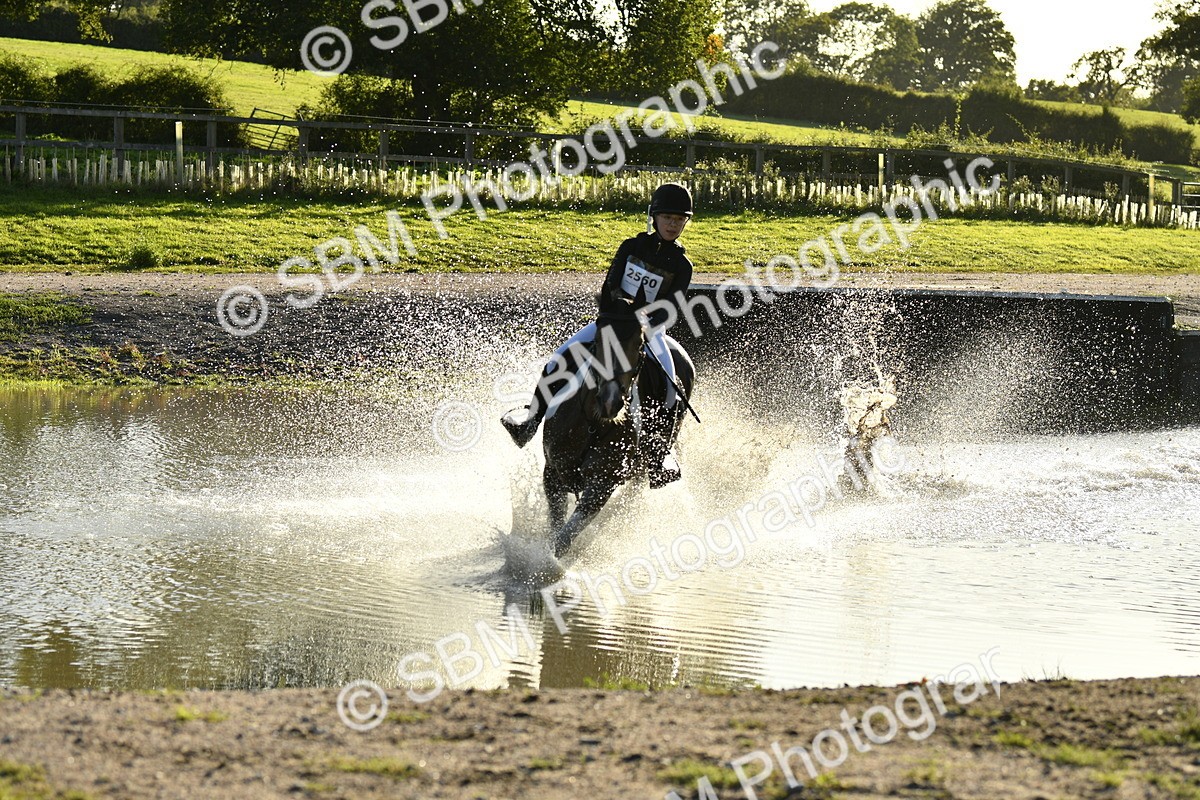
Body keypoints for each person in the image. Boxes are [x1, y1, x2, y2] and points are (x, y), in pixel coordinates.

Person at [501, 182, 695, 485]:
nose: (673, 225)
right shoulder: (631, 247)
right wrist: (620, 312)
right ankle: (531, 419)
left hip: (649, 332)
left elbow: (671, 307)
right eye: (668, 218)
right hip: (612, 321)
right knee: (559, 359)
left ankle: (660, 453)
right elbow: (610, 285)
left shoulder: (683, 265)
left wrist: (644, 323)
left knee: (673, 386)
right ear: (654, 217)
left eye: (679, 220)